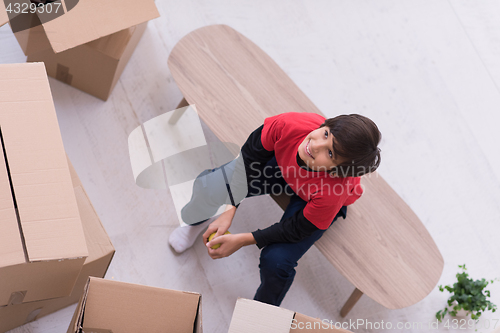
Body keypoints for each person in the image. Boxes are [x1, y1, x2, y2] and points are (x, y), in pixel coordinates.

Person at [169, 111, 381, 306]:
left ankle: (259, 317)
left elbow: (296, 229)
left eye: (331, 154)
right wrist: (229, 208)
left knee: (276, 261)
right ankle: (196, 221)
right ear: (325, 124)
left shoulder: (332, 191)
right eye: (325, 134)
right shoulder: (288, 126)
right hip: (284, 169)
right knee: (211, 184)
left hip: (313, 199)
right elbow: (249, 159)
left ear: (336, 171)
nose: (315, 145)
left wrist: (244, 239)